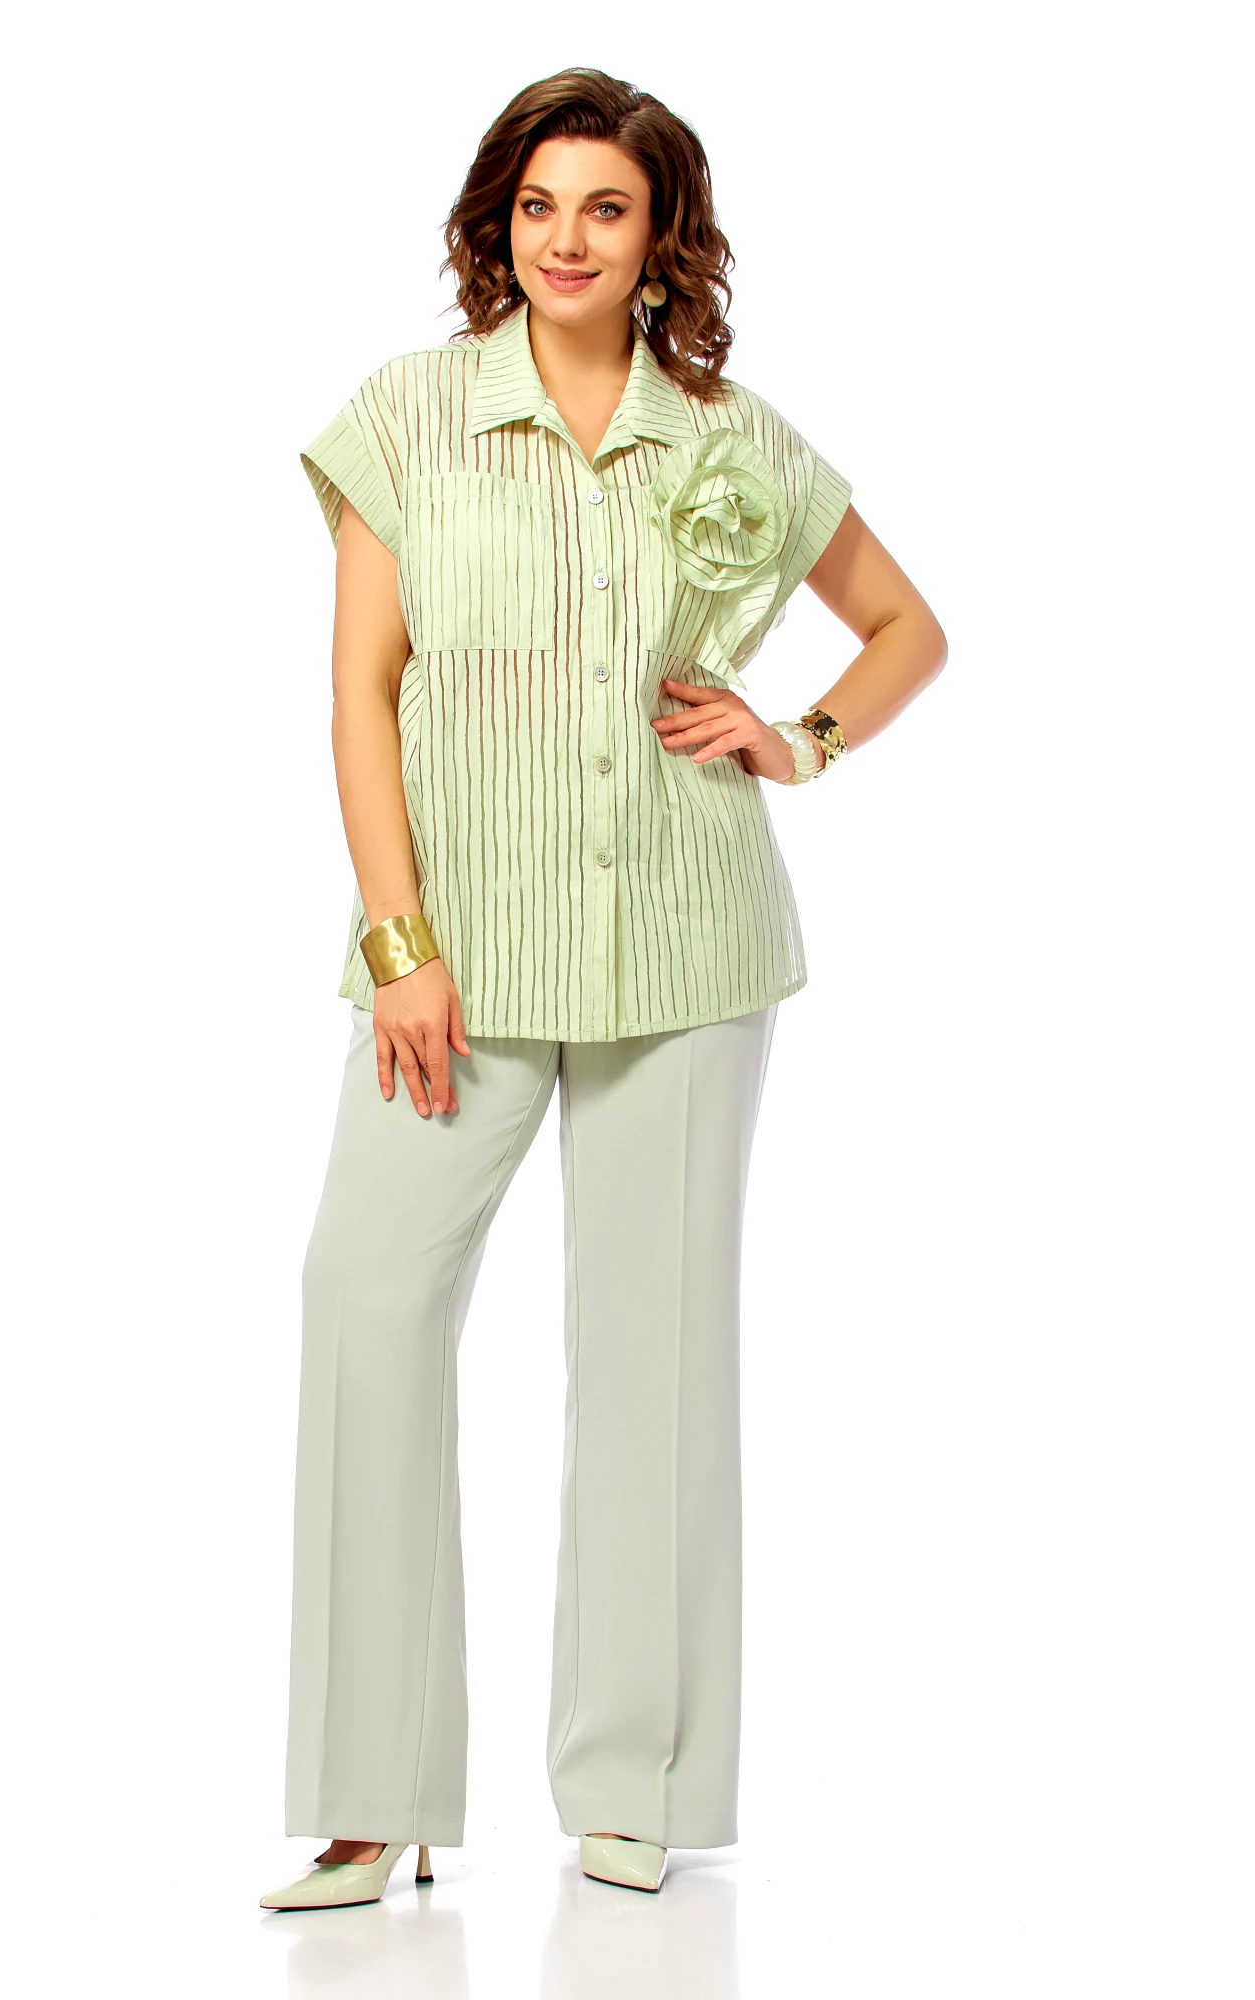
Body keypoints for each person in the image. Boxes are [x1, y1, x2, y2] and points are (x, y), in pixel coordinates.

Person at [259, 65, 946, 1912]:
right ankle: (369, 1791)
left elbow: (908, 629)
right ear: (500, 224)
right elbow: (361, 693)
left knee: (653, 1353)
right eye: (537, 205)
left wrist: (798, 738)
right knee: (363, 1305)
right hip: (455, 965)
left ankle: (631, 1780)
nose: (566, 240)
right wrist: (401, 946)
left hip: (688, 950)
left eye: (607, 210)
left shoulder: (732, 437)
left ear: (661, 242)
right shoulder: (406, 417)